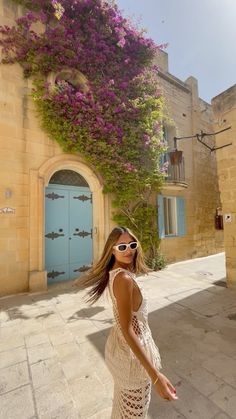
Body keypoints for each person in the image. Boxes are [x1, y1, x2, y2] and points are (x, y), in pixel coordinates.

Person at [77, 226, 178, 418]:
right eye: (122, 247)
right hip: (132, 362)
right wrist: (156, 377)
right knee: (134, 413)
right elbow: (127, 329)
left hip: (121, 354)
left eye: (132, 245)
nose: (129, 250)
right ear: (112, 250)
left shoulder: (116, 273)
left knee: (123, 409)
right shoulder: (123, 279)